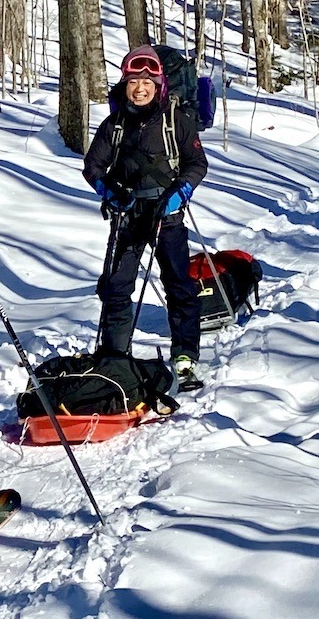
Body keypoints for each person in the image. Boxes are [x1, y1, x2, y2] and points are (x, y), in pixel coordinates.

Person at [83, 44, 208, 388]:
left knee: (178, 284)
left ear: (158, 85)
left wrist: (179, 193)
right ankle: (114, 355)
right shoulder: (114, 124)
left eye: (147, 82)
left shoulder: (176, 121)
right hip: (127, 215)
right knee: (117, 286)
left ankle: (184, 356)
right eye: (133, 82)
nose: (140, 89)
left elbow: (197, 163)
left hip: (166, 214)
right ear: (125, 84)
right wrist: (110, 192)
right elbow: (92, 166)